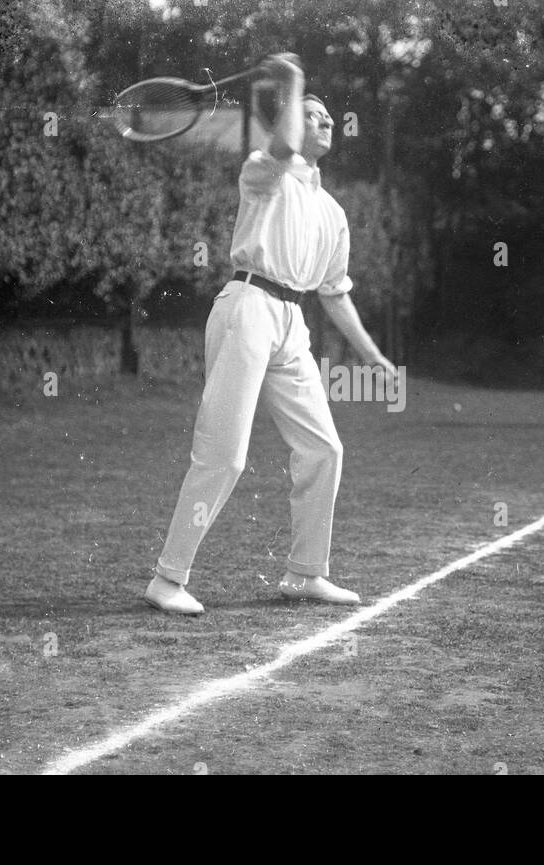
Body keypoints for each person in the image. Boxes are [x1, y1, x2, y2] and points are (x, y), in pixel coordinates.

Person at [144, 53, 398, 616]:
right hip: (248, 306)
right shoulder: (264, 170)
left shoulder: (334, 213)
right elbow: (283, 147)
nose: (326, 122)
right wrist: (293, 83)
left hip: (292, 323)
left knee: (323, 448)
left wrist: (374, 356)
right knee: (225, 455)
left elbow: (334, 293)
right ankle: (168, 578)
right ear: (288, 118)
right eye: (313, 115)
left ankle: (306, 573)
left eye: (330, 117)